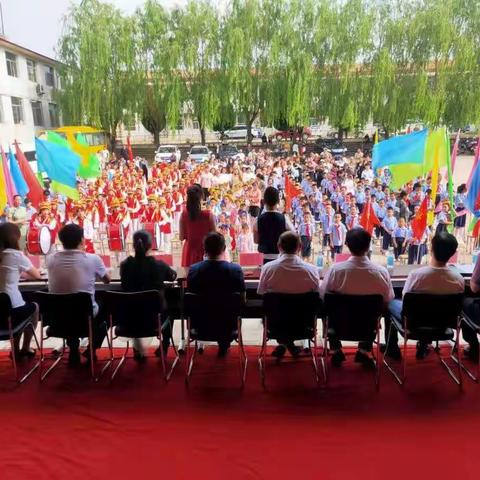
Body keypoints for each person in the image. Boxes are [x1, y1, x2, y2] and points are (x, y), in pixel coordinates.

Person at [320, 227, 394, 368]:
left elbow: (323, 296)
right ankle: (364, 350)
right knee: (376, 310)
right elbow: (388, 300)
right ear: (368, 245)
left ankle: (335, 349)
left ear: (346, 245)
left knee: (327, 307)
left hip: (338, 326)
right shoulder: (381, 272)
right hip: (368, 327)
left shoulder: (336, 271)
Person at [386, 232, 464, 360]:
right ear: (453, 253)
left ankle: (392, 348)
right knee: (431, 310)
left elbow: (406, 299)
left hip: (414, 323)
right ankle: (423, 344)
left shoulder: (417, 275)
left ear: (431, 249)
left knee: (391, 302)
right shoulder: (458, 279)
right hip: (442, 324)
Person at [46, 224, 111, 365]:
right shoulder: (93, 259)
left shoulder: (50, 259)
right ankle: (91, 349)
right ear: (82, 240)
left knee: (69, 305)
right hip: (84, 319)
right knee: (108, 304)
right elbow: (107, 280)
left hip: (58, 319)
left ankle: (74, 348)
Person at [257, 231, 321, 358]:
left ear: (278, 246)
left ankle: (285, 343)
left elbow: (261, 292)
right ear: (300, 247)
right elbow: (317, 293)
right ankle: (288, 344)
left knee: (272, 307)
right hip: (303, 325)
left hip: (276, 325)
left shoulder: (269, 268)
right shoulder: (312, 270)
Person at [120, 230, 177, 361]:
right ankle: (164, 345)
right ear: (150, 245)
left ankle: (138, 348)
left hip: (129, 320)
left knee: (135, 303)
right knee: (171, 307)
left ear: (133, 245)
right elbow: (173, 275)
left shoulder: (125, 266)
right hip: (154, 320)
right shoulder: (159, 265)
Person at [187, 232, 246, 356]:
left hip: (200, 325)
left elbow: (191, 299)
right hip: (228, 325)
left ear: (205, 249)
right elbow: (242, 300)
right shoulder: (235, 270)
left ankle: (223, 343)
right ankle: (224, 343)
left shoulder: (194, 270)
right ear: (224, 249)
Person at [0, 223, 41, 358]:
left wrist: (18, 273)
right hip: (11, 308)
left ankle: (15, 350)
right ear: (15, 238)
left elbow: (8, 272)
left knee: (21, 308)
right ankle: (25, 348)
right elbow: (37, 276)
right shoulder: (16, 255)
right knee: (33, 308)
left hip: (2, 310)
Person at [253, 186, 294, 264]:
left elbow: (256, 240)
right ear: (278, 201)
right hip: (280, 257)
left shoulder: (258, 220)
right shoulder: (284, 219)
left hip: (263, 258)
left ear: (264, 201)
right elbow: (293, 235)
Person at [180, 185, 216, 267]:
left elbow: (181, 237)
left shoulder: (184, 214)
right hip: (206, 251)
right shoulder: (208, 215)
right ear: (201, 197)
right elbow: (215, 236)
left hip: (189, 250)